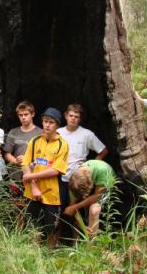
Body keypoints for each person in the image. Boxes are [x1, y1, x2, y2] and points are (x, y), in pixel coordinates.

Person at [56, 104, 108, 243]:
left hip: (80, 179)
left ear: (80, 119)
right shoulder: (58, 133)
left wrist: (90, 166)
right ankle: (56, 241)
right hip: (60, 177)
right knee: (59, 211)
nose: (73, 119)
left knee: (78, 212)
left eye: (76, 117)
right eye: (71, 116)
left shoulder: (86, 134)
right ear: (66, 115)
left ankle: (76, 242)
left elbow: (103, 150)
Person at [21, 107, 68, 247]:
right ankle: (34, 256)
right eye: (45, 121)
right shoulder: (34, 141)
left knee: (51, 228)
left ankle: (49, 257)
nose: (47, 125)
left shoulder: (62, 144)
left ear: (57, 125)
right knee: (32, 225)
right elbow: (25, 164)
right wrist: (34, 186)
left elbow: (56, 170)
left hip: (52, 193)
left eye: (51, 122)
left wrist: (31, 176)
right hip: (32, 192)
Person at [64, 160, 115, 239]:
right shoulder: (75, 181)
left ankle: (91, 245)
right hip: (92, 184)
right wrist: (82, 226)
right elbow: (72, 208)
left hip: (105, 184)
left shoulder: (102, 171)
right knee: (76, 214)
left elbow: (97, 196)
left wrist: (75, 207)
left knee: (93, 210)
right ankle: (75, 244)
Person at [3, 100, 42, 180]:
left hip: (34, 175)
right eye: (20, 115)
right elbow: (7, 154)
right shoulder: (13, 132)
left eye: (26, 114)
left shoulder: (41, 133)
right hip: (15, 176)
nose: (23, 117)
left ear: (32, 114)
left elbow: (45, 157)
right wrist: (16, 161)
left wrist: (27, 160)